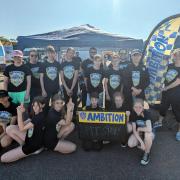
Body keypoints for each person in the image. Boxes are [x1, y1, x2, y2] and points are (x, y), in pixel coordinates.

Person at [1, 96, 46, 163]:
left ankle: (31, 151)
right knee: (9, 128)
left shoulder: (39, 117)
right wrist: (18, 125)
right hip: (31, 137)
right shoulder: (37, 113)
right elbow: (26, 123)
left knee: (3, 158)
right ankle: (22, 145)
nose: (35, 107)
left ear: (43, 105)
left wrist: (19, 113)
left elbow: (22, 129)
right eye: (34, 105)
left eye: (38, 105)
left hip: (33, 145)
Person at [155, 48, 180, 140]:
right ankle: (159, 121)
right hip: (166, 93)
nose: (177, 56)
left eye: (179, 54)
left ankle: (179, 131)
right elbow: (162, 75)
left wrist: (166, 88)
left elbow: (178, 81)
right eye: (175, 54)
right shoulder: (169, 66)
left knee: (177, 111)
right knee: (163, 107)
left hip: (177, 94)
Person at [128, 98, 154, 165]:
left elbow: (149, 129)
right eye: (135, 107)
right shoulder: (133, 114)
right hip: (139, 133)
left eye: (140, 107)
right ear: (133, 107)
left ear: (143, 107)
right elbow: (134, 130)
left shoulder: (147, 113)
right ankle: (143, 143)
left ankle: (147, 153)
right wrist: (141, 142)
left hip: (149, 133)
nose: (138, 109)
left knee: (148, 135)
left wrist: (140, 129)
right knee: (130, 144)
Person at [60, 47, 79, 116]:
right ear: (67, 53)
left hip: (74, 86)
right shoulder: (62, 64)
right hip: (65, 86)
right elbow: (62, 78)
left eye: (72, 53)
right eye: (70, 52)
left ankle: (74, 116)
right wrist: (67, 88)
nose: (71, 54)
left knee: (74, 101)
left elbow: (75, 77)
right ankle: (66, 116)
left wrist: (71, 88)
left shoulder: (76, 63)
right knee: (67, 101)